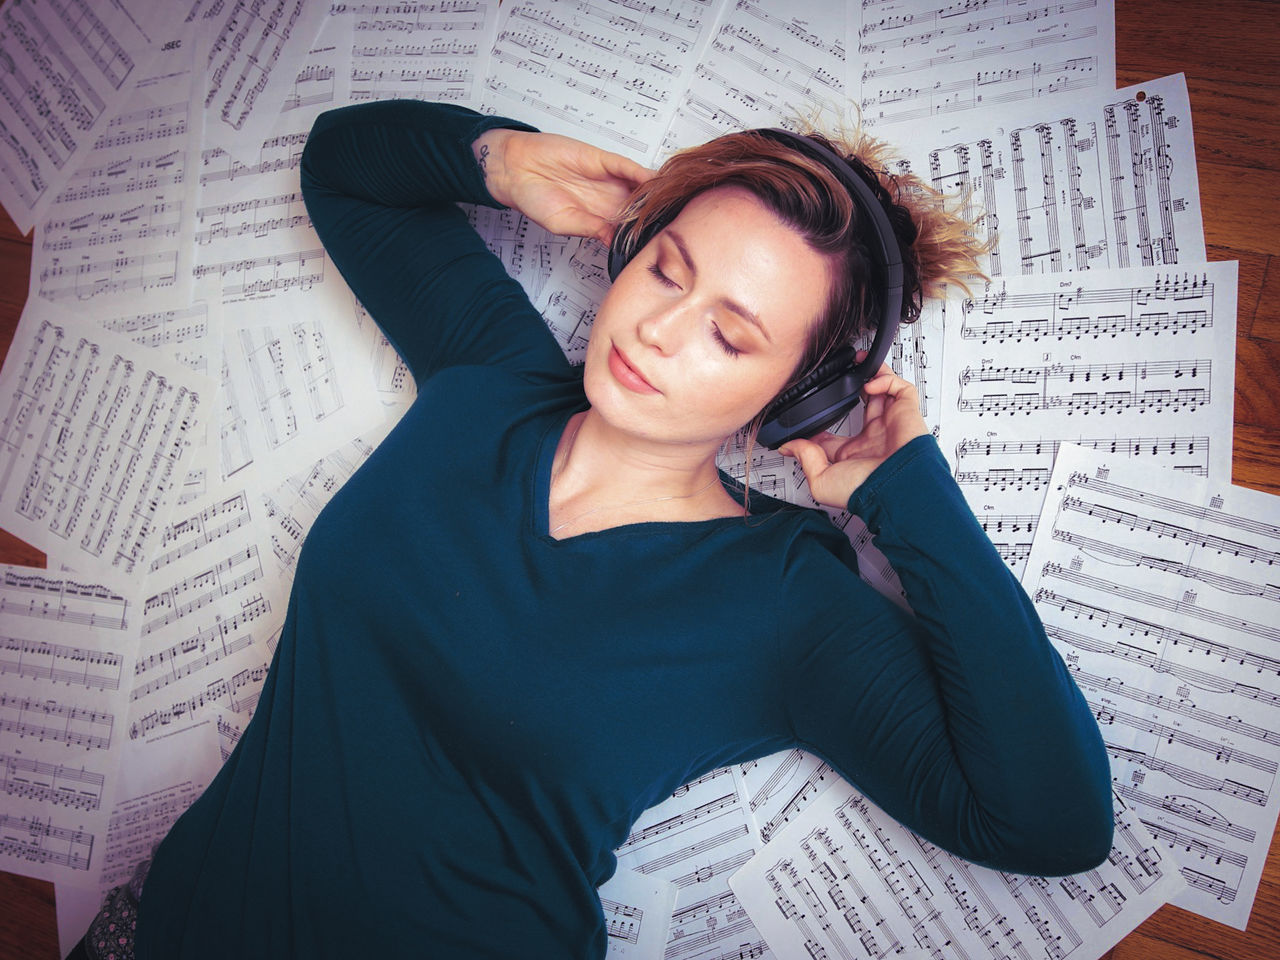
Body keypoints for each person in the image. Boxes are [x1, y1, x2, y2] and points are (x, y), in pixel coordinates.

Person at [77, 98, 1112, 959]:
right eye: (666, 268)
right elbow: (341, 168)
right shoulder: (489, 376)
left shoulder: (783, 599)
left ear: (791, 393)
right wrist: (499, 160)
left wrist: (905, 494)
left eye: (727, 333)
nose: (659, 330)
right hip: (162, 930)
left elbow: (1049, 821)